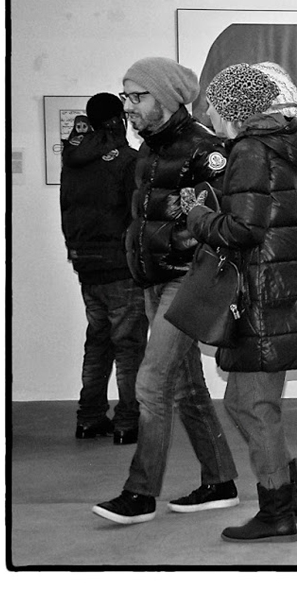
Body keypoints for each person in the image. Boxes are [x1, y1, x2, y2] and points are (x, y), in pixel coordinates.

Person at [92, 57, 239, 525]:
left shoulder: (205, 150)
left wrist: (181, 237)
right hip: (153, 280)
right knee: (186, 387)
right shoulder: (149, 150)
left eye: (138, 96)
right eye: (126, 96)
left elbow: (219, 222)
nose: (128, 106)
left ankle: (140, 494)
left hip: (187, 280)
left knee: (151, 384)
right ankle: (220, 481)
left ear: (168, 97)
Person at [181, 63, 297, 543]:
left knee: (253, 404)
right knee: (246, 401)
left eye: (212, 106)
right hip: (278, 292)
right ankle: (290, 498)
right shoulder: (280, 144)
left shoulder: (250, 150)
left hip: (265, 297)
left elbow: (243, 229)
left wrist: (197, 214)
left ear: (231, 108)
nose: (208, 116)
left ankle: (277, 510)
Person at [60, 94, 147, 445]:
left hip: (86, 263)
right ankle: (128, 421)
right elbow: (138, 214)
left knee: (97, 341)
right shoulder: (127, 160)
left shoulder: (73, 159)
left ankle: (89, 417)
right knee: (128, 346)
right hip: (120, 267)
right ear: (117, 120)